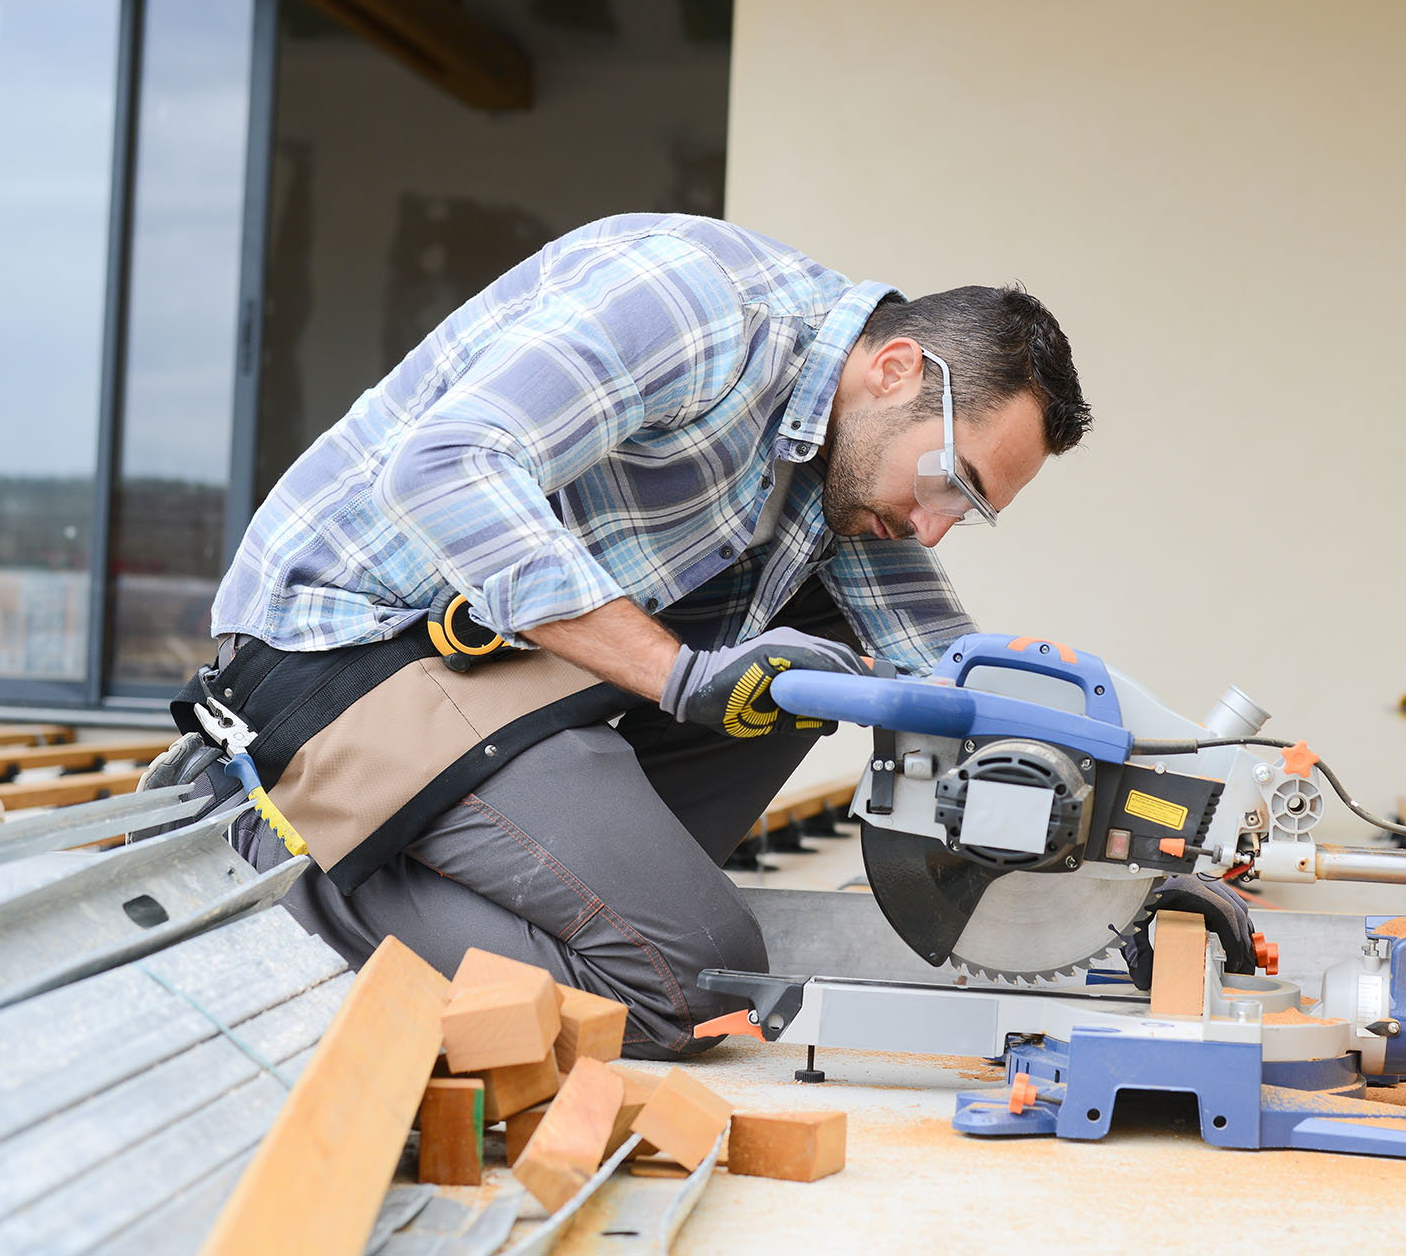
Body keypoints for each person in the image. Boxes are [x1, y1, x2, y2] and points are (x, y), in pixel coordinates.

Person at [156, 212, 1093, 1057]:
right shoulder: (700, 306)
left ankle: (528, 881)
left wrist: (1101, 798)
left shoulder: (839, 438)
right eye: (951, 483)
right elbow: (443, 466)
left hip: (500, 667)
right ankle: (282, 856)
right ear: (895, 370)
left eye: (969, 513)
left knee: (825, 659)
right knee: (697, 986)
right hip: (346, 651)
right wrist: (678, 675)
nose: (936, 525)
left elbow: (923, 653)